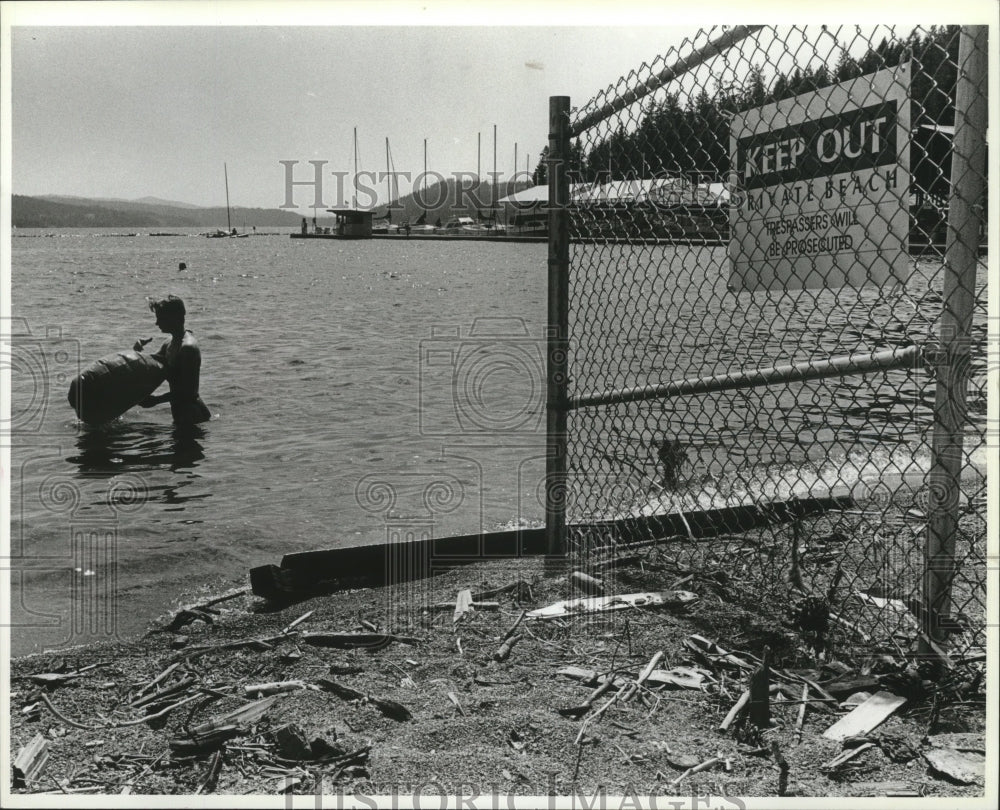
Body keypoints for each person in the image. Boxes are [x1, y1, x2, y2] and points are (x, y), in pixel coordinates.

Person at [133, 295, 211, 425]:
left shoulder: (188, 348)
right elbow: (150, 367)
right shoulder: (169, 342)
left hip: (193, 416)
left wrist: (156, 400)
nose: (157, 323)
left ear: (174, 318)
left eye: (160, 318)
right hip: (180, 414)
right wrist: (136, 351)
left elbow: (189, 392)